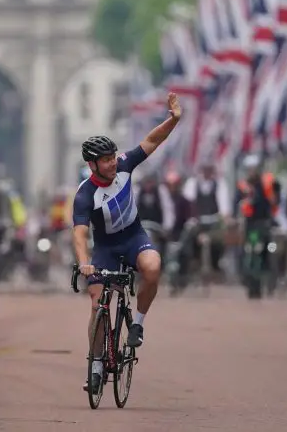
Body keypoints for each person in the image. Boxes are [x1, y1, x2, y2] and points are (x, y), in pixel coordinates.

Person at [72, 92, 181, 390]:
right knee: (97, 304)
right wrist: (84, 263)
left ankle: (138, 325)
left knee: (154, 268)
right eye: (105, 161)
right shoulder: (84, 195)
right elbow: (80, 232)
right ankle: (95, 364)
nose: (111, 164)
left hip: (134, 236)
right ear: (92, 165)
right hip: (106, 247)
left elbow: (152, 141)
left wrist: (173, 119)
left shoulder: (123, 165)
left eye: (112, 158)